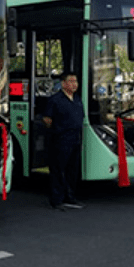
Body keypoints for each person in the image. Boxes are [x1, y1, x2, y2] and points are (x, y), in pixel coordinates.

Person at [43, 72, 85, 211]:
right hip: (60, 139)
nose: (74, 84)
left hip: (75, 139)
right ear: (63, 83)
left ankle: (70, 197)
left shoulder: (77, 99)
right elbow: (47, 120)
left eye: (76, 81)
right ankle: (57, 200)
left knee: (72, 170)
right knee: (58, 170)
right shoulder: (55, 100)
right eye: (71, 81)